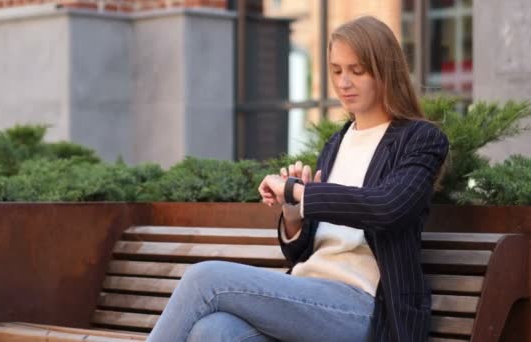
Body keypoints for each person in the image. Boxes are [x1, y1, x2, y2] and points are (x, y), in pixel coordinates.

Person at [146, 15, 449, 342]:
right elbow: (301, 253)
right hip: (308, 294)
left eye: (356, 70)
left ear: (384, 71)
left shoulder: (420, 139)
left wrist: (302, 193)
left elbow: (387, 206)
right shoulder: (337, 143)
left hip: (366, 307)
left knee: (204, 278)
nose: (344, 82)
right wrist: (294, 215)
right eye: (336, 70)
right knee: (213, 331)